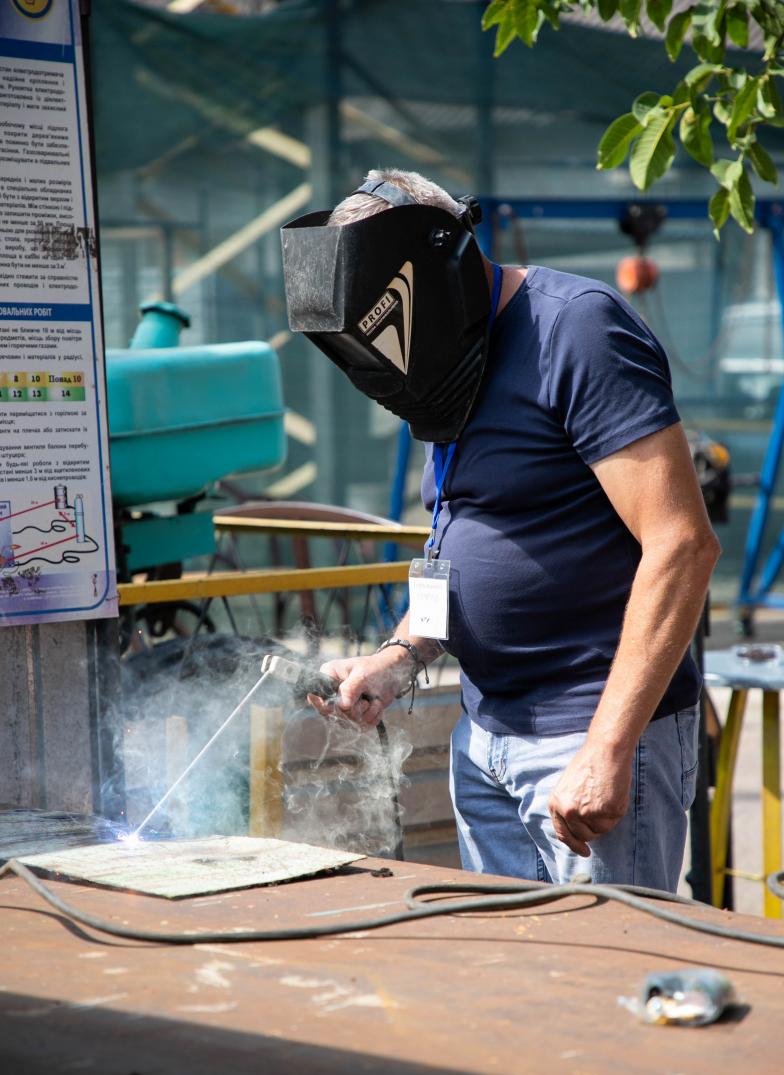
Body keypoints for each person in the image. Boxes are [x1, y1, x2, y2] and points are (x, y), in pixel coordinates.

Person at [281, 168, 720, 892]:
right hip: (485, 737)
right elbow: (461, 535)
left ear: (432, 267)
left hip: (587, 734)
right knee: (514, 955)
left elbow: (682, 544)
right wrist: (399, 657)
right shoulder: (446, 368)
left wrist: (607, 748)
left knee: (601, 956)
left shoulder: (576, 329)